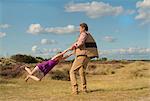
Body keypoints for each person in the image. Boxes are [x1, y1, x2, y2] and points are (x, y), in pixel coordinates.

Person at [69, 23, 99, 94]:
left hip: (82, 56)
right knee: (81, 72)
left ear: (83, 28)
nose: (79, 30)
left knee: (72, 72)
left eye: (79, 28)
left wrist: (74, 46)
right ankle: (84, 89)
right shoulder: (88, 35)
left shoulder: (83, 34)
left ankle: (75, 90)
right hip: (87, 56)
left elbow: (80, 42)